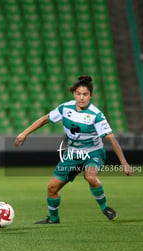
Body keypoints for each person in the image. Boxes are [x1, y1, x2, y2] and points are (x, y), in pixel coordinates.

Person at [14, 75, 132, 224]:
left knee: (90, 176)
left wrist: (124, 162)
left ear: (91, 95)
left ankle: (105, 208)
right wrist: (24, 133)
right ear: (74, 94)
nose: (82, 97)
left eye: (85, 94)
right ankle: (53, 219)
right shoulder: (65, 108)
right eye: (78, 94)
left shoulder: (96, 115)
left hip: (93, 152)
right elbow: (45, 119)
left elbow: (111, 138)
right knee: (52, 188)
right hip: (73, 153)